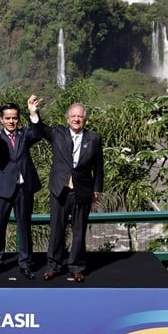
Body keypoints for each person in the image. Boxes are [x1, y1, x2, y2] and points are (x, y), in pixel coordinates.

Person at [29, 95, 104, 282]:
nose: (76, 119)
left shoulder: (94, 138)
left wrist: (97, 189)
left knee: (79, 231)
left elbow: (99, 167)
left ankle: (76, 267)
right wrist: (33, 112)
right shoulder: (58, 133)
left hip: (83, 191)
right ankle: (53, 266)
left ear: (85, 119)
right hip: (59, 190)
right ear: (67, 118)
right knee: (57, 230)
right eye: (73, 116)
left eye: (80, 116)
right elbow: (39, 130)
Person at [0, 102, 41, 280]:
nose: (11, 121)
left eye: (14, 118)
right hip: (2, 189)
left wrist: (33, 113)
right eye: (7, 118)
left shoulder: (25, 134)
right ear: (1, 119)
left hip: (23, 188)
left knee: (24, 227)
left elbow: (38, 134)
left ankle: (25, 263)